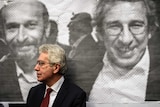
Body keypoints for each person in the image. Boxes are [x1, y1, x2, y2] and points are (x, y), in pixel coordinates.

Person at [89, 0, 160, 103]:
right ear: (100, 34)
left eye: (136, 25)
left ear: (150, 30)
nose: (125, 39)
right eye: (114, 26)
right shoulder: (81, 77)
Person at [0, 0, 55, 101]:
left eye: (31, 25)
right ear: (3, 33)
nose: (21, 38)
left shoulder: (74, 73)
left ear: (46, 28)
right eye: (12, 27)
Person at [66, 12, 105, 96]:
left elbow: (74, 70)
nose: (68, 27)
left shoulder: (91, 48)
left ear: (83, 27)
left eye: (73, 25)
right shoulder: (78, 47)